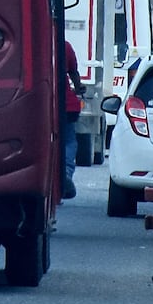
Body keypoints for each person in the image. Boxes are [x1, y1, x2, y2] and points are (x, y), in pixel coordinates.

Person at [61, 41, 84, 200]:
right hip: (66, 105)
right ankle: (66, 173)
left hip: (38, 105)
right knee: (69, 141)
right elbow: (73, 73)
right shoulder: (65, 46)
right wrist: (79, 87)